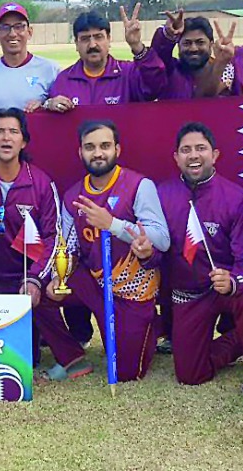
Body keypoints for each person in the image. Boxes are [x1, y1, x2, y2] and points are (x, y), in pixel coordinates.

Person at [0, 108, 92, 380]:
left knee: (47, 290)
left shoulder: (41, 183)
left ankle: (72, 359)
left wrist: (35, 279)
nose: (6, 138)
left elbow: (53, 239)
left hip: (23, 275)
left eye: (13, 131)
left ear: (24, 141)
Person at [157, 122, 243, 419]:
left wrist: (233, 280)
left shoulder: (236, 198)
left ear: (215, 154)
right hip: (188, 292)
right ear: (176, 158)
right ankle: (239, 340)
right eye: (186, 150)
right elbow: (154, 245)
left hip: (226, 287)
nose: (193, 156)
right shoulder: (162, 194)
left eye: (200, 148)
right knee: (190, 375)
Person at [59, 120, 170, 381]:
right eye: (90, 147)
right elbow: (68, 247)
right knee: (40, 293)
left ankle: (155, 326)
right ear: (80, 152)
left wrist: (113, 225)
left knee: (127, 372)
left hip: (132, 288)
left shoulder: (139, 185)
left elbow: (162, 239)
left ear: (117, 150)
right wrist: (58, 277)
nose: (98, 153)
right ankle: (70, 354)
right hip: (95, 283)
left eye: (105, 146)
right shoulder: (73, 195)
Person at [45, 8, 167, 112]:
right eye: (85, 39)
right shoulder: (64, 80)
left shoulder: (128, 73)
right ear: (76, 44)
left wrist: (136, 46)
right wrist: (49, 105)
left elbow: (155, 88)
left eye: (98, 37)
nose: (92, 45)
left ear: (108, 39)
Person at [0, 2, 60, 114]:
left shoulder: (51, 69)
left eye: (19, 27)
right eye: (5, 27)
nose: (12, 33)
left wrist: (45, 105)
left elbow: (59, 112)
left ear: (29, 32)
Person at [153, 11, 239, 99]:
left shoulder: (226, 69)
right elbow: (158, 54)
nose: (193, 48)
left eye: (200, 42)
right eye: (187, 43)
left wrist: (220, 64)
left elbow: (207, 101)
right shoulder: (170, 71)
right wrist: (168, 34)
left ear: (211, 44)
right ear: (178, 45)